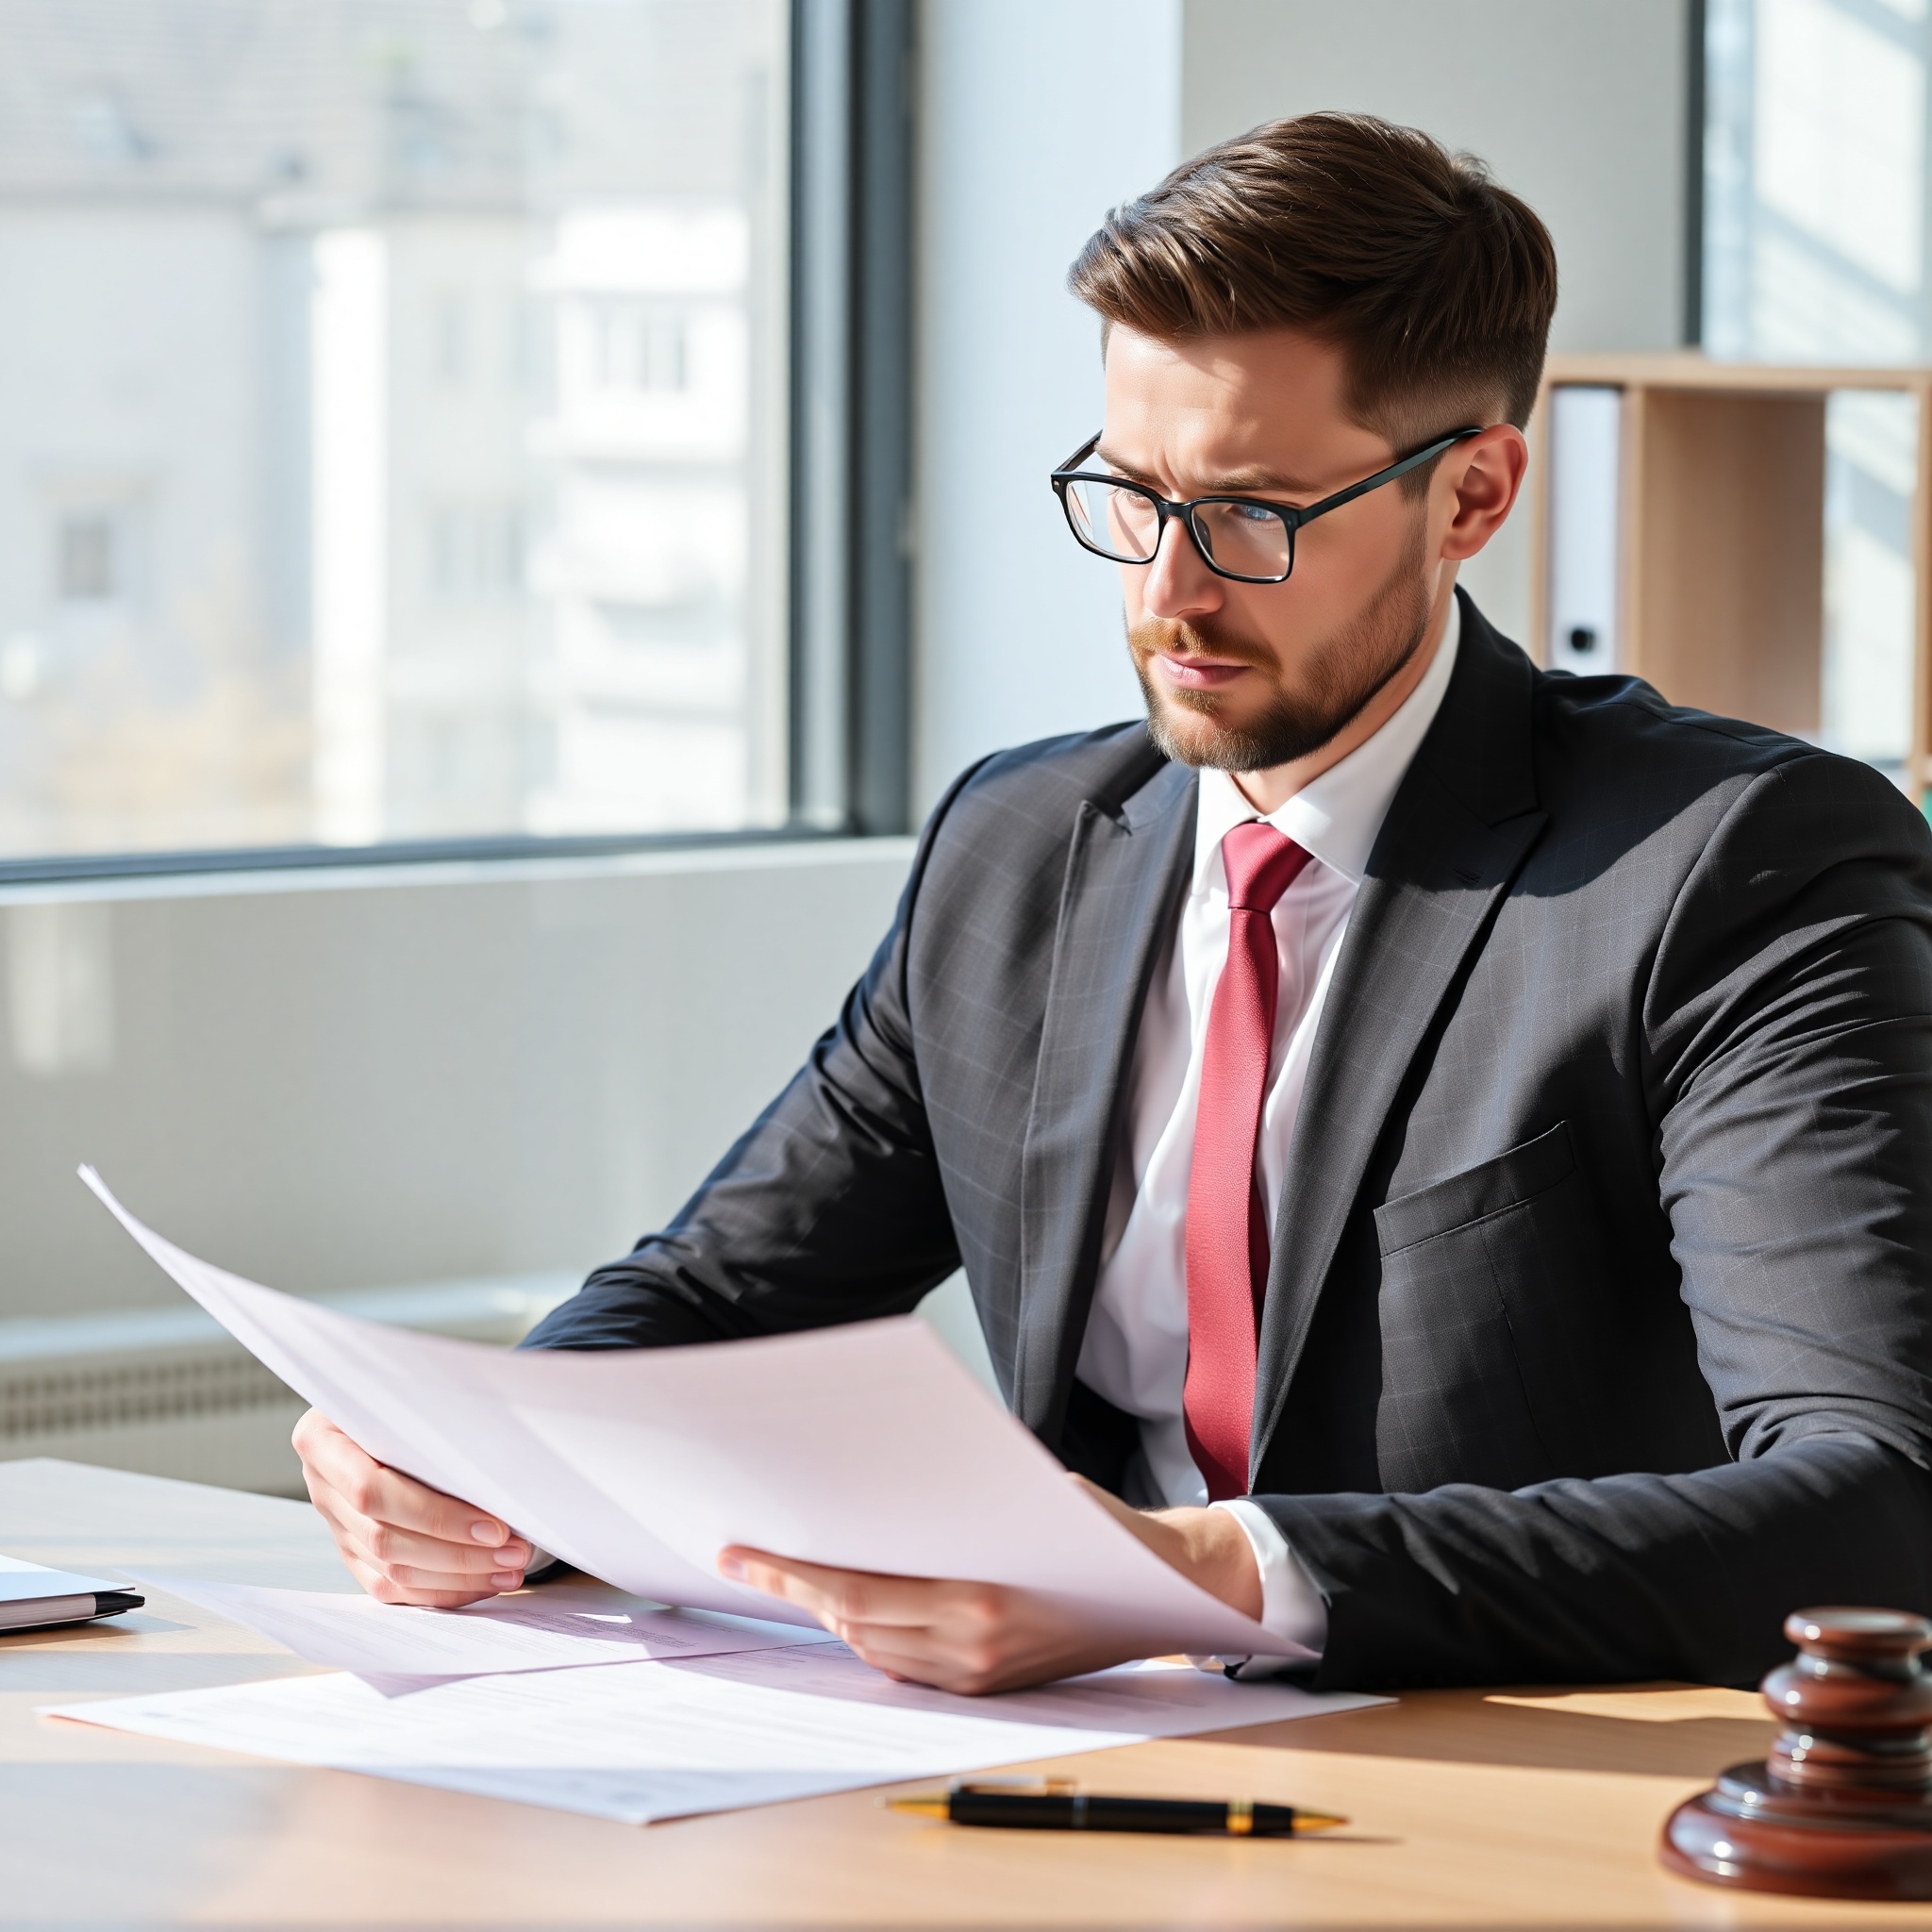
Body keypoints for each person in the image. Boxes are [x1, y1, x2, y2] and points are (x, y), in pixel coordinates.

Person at [292, 112, 1932, 1695]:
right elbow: (723, 1297)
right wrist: (479, 1448)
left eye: (1251, 517)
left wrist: (1199, 1576)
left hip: (1497, 1788)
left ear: (1473, 499)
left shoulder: (1735, 863)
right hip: (1048, 1787)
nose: (1167, 593)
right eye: (1132, 496)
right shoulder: (1025, 845)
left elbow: (1873, 1504)